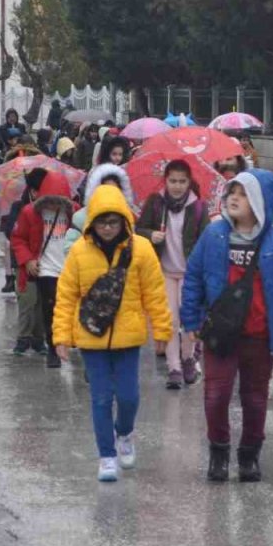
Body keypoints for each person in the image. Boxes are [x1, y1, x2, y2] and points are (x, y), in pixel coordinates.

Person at [181, 169, 273, 483]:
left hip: (260, 335)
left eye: (242, 193)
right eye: (231, 193)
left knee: (255, 398)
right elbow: (193, 278)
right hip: (221, 335)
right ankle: (219, 452)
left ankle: (250, 455)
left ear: (260, 201)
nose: (233, 198)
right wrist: (191, 320)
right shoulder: (214, 234)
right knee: (216, 395)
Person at [53, 184, 173, 482]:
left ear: (123, 220)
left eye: (113, 221)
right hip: (92, 337)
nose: (107, 228)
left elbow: (155, 294)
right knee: (101, 399)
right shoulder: (79, 252)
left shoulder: (142, 250)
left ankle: (124, 433)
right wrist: (61, 336)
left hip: (129, 338)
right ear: (92, 222)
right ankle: (106, 455)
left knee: (129, 397)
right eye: (102, 222)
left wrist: (162, 329)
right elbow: (66, 295)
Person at [135, 159, 210, 389]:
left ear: (189, 182)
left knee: (188, 320)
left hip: (190, 273)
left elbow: (206, 240)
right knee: (169, 320)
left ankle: (188, 358)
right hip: (164, 271)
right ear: (165, 180)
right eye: (173, 181)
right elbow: (137, 229)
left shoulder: (198, 207)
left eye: (182, 181)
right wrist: (150, 234)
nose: (177, 186)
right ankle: (174, 368)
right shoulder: (156, 203)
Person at [11, 171, 77, 369]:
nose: (54, 207)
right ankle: (53, 348)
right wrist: (28, 260)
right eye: (50, 201)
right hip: (45, 269)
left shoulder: (75, 214)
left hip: (69, 269)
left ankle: (68, 340)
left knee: (68, 309)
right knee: (50, 310)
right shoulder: (30, 213)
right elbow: (18, 238)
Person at [6, 168, 49, 356]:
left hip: (45, 264)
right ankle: (23, 339)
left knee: (42, 303)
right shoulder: (20, 208)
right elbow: (14, 235)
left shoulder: (51, 211)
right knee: (27, 301)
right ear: (33, 191)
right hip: (24, 266)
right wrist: (27, 260)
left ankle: (39, 340)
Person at [63, 164, 135, 258]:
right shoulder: (81, 217)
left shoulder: (126, 217)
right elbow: (69, 249)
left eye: (114, 189)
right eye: (104, 188)